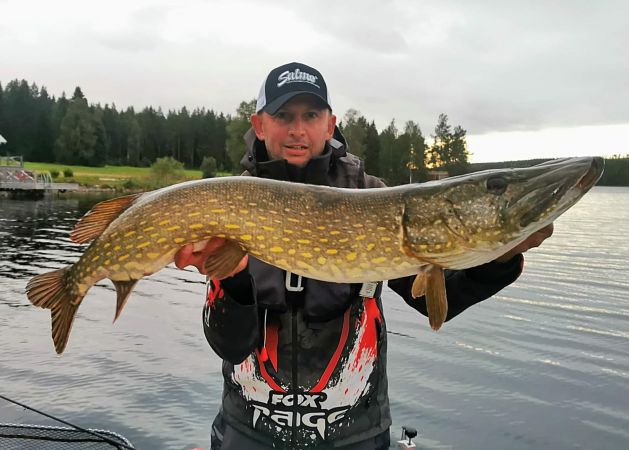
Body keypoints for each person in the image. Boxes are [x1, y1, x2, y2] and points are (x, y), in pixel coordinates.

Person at [175, 62, 553, 449]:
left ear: (330, 123)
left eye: (311, 115)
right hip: (248, 431)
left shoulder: (374, 197)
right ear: (259, 125)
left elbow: (442, 298)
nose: (297, 130)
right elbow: (229, 344)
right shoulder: (228, 204)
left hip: (354, 434)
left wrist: (500, 260)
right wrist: (234, 282)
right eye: (283, 116)